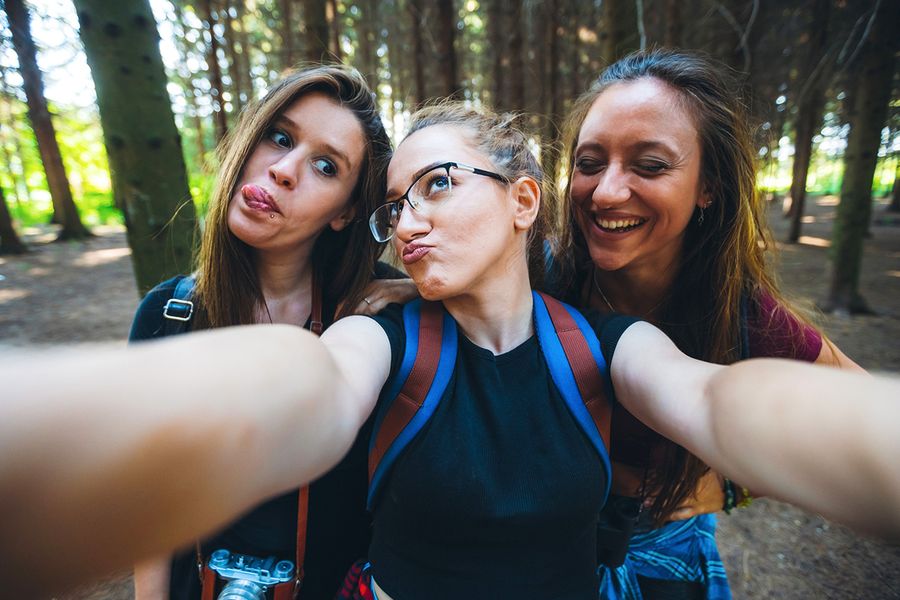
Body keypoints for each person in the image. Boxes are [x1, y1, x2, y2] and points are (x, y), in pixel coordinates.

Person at [1, 101, 899, 600]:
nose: (412, 222)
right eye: (396, 207)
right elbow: (303, 388)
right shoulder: (377, 339)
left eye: (437, 185)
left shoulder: (609, 346)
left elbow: (716, 403)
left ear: (522, 201)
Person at [552, 49, 863, 599]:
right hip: (536, 552)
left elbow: (863, 421)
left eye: (649, 165)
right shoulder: (542, 277)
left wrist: (734, 487)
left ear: (708, 186)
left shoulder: (744, 316)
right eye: (590, 162)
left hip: (661, 564)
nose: (605, 192)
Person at [129, 64, 404, 600]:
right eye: (279, 138)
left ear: (346, 212)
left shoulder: (381, 321)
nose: (283, 169)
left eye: (325, 166)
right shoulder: (165, 314)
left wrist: (428, 293)